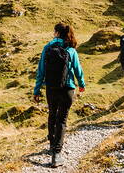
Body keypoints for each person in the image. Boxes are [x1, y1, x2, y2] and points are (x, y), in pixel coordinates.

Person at [34, 22, 86, 168]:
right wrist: (81, 84)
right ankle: (57, 154)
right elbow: (78, 70)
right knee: (62, 120)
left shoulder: (47, 48)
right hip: (67, 89)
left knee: (52, 114)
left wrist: (37, 90)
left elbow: (41, 71)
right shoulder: (71, 50)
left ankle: (51, 144)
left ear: (56, 33)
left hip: (51, 88)